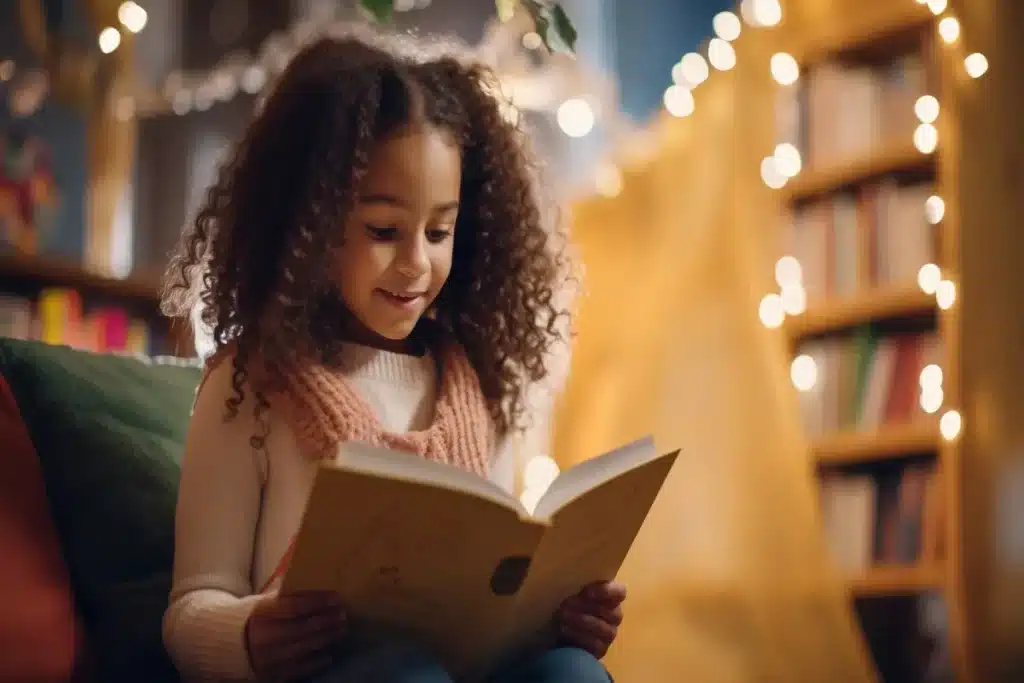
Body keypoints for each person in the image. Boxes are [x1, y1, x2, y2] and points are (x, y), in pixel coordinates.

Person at [160, 30, 626, 683]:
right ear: (309, 225)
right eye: (383, 230)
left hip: (462, 669)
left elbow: (492, 601)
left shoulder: (475, 389)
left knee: (572, 672)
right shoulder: (249, 387)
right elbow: (189, 609)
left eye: (440, 231)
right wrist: (246, 635)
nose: (416, 263)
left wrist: (557, 615)